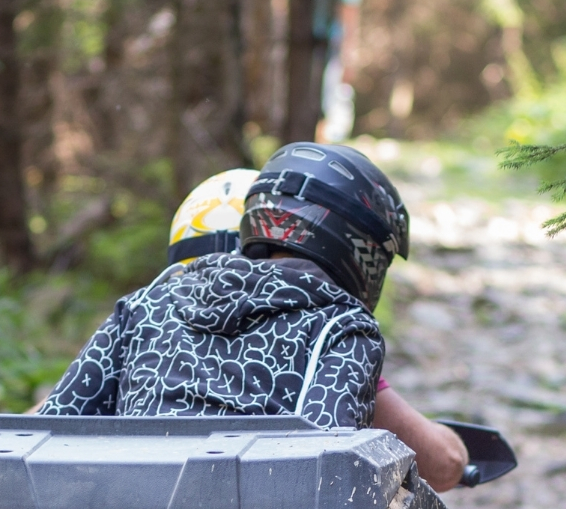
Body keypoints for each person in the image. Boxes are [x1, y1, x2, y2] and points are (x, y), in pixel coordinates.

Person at [44, 145, 467, 490]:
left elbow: (49, 428)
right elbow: (327, 475)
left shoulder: (144, 305)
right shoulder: (340, 327)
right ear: (359, 247)